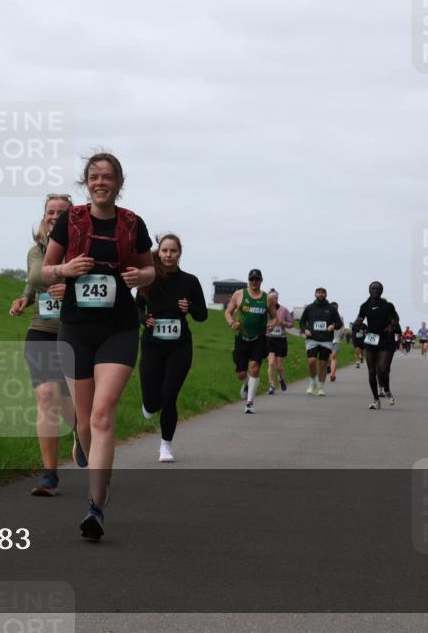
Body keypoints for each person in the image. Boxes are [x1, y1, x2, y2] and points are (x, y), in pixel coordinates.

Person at [42, 152, 154, 541]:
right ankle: (86, 450)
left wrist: (143, 275)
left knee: (104, 414)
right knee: (85, 420)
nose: (100, 182)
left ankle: (96, 506)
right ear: (85, 182)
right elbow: (43, 271)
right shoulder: (70, 221)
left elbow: (150, 267)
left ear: (119, 182)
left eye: (108, 176)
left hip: (119, 327)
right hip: (76, 328)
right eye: (94, 176)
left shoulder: (132, 222)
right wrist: (64, 270)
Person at [9, 194, 77, 496]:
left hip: (76, 334)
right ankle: (49, 474)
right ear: (44, 216)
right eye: (51, 212)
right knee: (46, 395)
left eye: (62, 212)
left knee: (69, 403)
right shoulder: (36, 250)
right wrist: (27, 295)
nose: (55, 216)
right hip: (42, 331)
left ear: (73, 217)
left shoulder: (83, 250)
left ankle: (79, 431)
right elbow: (37, 275)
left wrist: (71, 286)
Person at [136, 233, 207, 463]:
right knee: (152, 400)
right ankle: (148, 404)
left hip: (180, 346)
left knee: (169, 397)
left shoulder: (190, 281)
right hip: (152, 345)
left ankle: (165, 446)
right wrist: (143, 319)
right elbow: (136, 308)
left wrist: (190, 307)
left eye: (173, 251)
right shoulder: (149, 278)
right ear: (160, 251)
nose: (168, 255)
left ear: (180, 253)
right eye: (165, 250)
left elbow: (202, 315)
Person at [223, 269, 276, 414]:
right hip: (241, 338)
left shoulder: (267, 298)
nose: (254, 282)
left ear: (261, 280)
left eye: (257, 279)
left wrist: (272, 324)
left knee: (254, 367)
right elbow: (228, 312)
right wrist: (232, 323)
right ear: (248, 280)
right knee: (241, 373)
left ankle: (249, 403)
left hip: (259, 338)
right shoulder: (239, 294)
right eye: (252, 279)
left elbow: (274, 316)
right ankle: (246, 384)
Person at [353, 281, 400, 409]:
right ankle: (376, 400)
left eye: (378, 288)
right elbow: (359, 319)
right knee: (371, 371)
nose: (375, 290)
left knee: (383, 369)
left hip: (386, 339)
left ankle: (387, 390)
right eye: (373, 288)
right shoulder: (365, 306)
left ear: (381, 291)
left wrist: (392, 325)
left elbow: (396, 318)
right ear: (369, 290)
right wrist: (357, 326)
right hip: (371, 339)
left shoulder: (388, 305)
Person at [299, 289, 343, 395]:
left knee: (323, 364)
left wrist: (333, 326)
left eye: (323, 292)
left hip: (326, 340)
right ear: (315, 294)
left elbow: (339, 323)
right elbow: (302, 322)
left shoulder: (331, 309)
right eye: (319, 292)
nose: (321, 294)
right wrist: (305, 330)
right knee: (312, 361)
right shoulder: (309, 308)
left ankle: (320, 387)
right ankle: (312, 381)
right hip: (312, 339)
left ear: (326, 294)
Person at [265, 289, 293, 395]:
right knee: (271, 363)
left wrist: (283, 323)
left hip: (281, 339)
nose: (273, 300)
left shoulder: (284, 310)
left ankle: (281, 378)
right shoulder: (265, 310)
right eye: (271, 298)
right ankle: (271, 385)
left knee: (279, 366)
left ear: (277, 299)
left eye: (275, 298)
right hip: (269, 338)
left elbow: (291, 324)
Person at [329, 302, 343, 381]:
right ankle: (328, 367)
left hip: (336, 340)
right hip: (327, 340)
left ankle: (332, 374)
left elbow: (343, 329)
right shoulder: (326, 317)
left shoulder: (340, 318)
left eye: (336, 308)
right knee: (328, 358)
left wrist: (341, 334)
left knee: (333, 357)